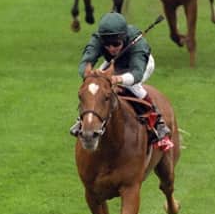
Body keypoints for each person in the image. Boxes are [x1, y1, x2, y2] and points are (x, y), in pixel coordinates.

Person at [69, 12, 174, 150]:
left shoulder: (139, 44)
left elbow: (137, 74)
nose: (111, 48)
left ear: (124, 38)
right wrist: (89, 74)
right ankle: (84, 119)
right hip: (115, 63)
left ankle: (159, 123)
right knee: (96, 86)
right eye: (107, 45)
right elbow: (85, 62)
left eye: (116, 44)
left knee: (133, 87)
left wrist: (118, 79)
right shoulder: (97, 39)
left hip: (139, 65)